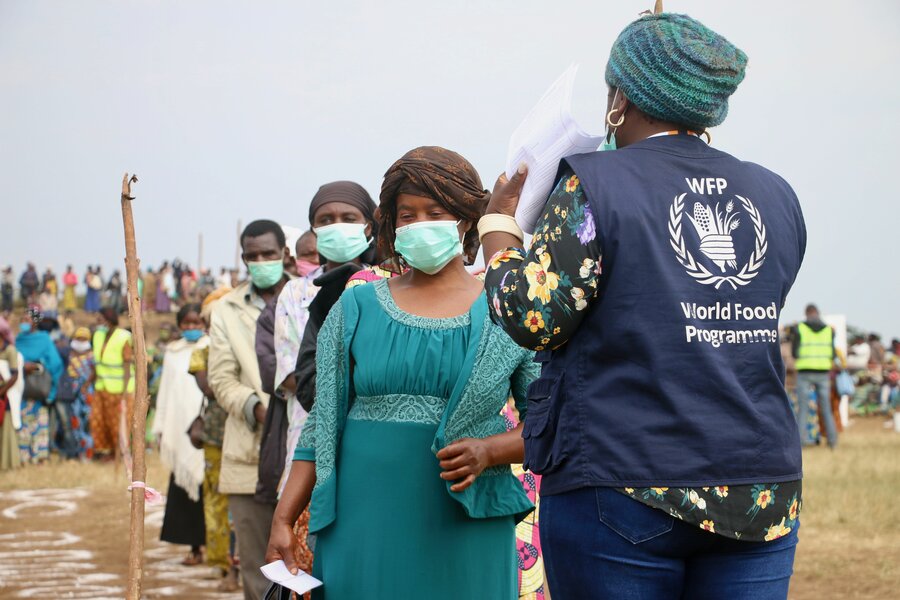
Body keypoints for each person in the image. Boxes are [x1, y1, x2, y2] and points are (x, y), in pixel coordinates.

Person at [482, 8, 805, 597]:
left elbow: (534, 316)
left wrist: (499, 228)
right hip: (758, 485)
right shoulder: (775, 192)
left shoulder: (594, 181)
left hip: (623, 481)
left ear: (619, 98)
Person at [266, 146, 538, 600]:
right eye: (406, 215)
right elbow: (322, 422)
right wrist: (283, 517)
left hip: (465, 522)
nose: (418, 225)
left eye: (435, 212)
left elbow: (554, 422)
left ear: (467, 219)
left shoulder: (506, 308)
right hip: (362, 517)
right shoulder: (356, 305)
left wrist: (490, 451)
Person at [208, 219, 293, 600]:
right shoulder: (225, 309)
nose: (260, 262)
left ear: (284, 254)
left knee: (306, 568)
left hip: (303, 450)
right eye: (252, 256)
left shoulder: (307, 294)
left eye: (268, 254)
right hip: (249, 453)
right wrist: (261, 410)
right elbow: (222, 379)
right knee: (261, 578)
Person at [190, 290, 240, 591]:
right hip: (215, 434)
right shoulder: (203, 349)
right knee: (216, 500)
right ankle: (220, 561)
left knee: (240, 503)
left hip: (244, 432)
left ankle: (235, 563)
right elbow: (209, 388)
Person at [153, 303, 208, 565]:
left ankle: (217, 550)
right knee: (185, 491)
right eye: (186, 324)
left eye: (196, 323)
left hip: (206, 427)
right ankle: (194, 547)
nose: (191, 328)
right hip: (179, 427)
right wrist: (161, 426)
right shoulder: (172, 353)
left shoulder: (212, 346)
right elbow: (165, 390)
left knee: (212, 490)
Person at [16, 308, 63, 464]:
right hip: (21, 392)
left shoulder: (44, 339)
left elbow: (56, 365)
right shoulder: (18, 340)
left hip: (39, 390)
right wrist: (22, 366)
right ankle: (23, 457)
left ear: (35, 322)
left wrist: (38, 366)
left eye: (27, 320)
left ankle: (40, 457)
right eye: (22, 320)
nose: (23, 323)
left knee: (40, 424)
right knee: (22, 424)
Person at [90, 306, 135, 460]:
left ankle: (120, 453)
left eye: (100, 319)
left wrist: (124, 391)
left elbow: (127, 365)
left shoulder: (124, 337)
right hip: (101, 387)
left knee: (119, 424)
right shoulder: (97, 336)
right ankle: (105, 452)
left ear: (108, 320)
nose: (97, 322)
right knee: (99, 421)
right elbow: (97, 363)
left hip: (120, 389)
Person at [792, 304, 838, 448]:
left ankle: (800, 443)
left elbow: (795, 353)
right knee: (826, 409)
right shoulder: (829, 330)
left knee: (803, 409)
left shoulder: (799, 328)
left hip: (805, 372)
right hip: (823, 372)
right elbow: (833, 353)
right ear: (818, 313)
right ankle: (832, 442)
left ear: (806, 314)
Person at [60, 327, 94, 459]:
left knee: (87, 422)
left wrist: (85, 385)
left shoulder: (91, 355)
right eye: (78, 338)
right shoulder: (68, 354)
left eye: (83, 339)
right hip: (72, 393)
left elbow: (95, 372)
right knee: (74, 422)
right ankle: (76, 452)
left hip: (87, 393)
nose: (80, 342)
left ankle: (88, 453)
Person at [0, 317, 22, 470]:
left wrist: (2, 391)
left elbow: (15, 375)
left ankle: (8, 463)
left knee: (6, 427)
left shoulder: (10, 350)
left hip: (5, 395)